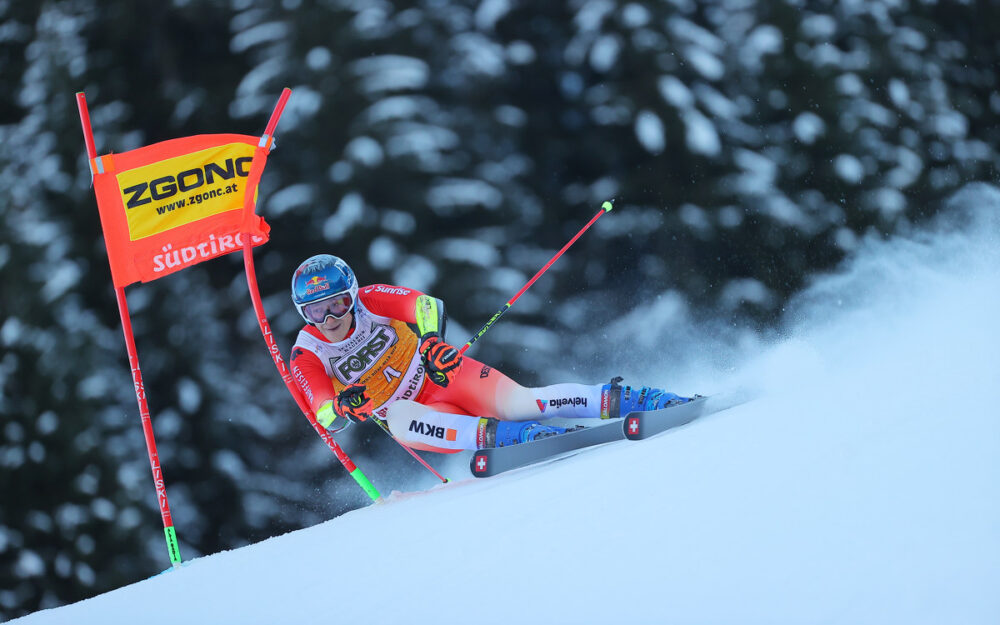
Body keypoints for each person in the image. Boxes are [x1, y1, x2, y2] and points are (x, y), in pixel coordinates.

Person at [288, 254, 690, 453]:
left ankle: (638, 399)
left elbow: (425, 305)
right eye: (315, 310)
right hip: (419, 416)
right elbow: (320, 410)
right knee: (398, 420)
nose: (329, 318)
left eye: (337, 303)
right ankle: (522, 439)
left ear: (352, 296)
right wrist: (342, 406)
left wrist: (430, 342)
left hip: (442, 375)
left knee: (523, 402)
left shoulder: (372, 300)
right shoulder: (308, 351)